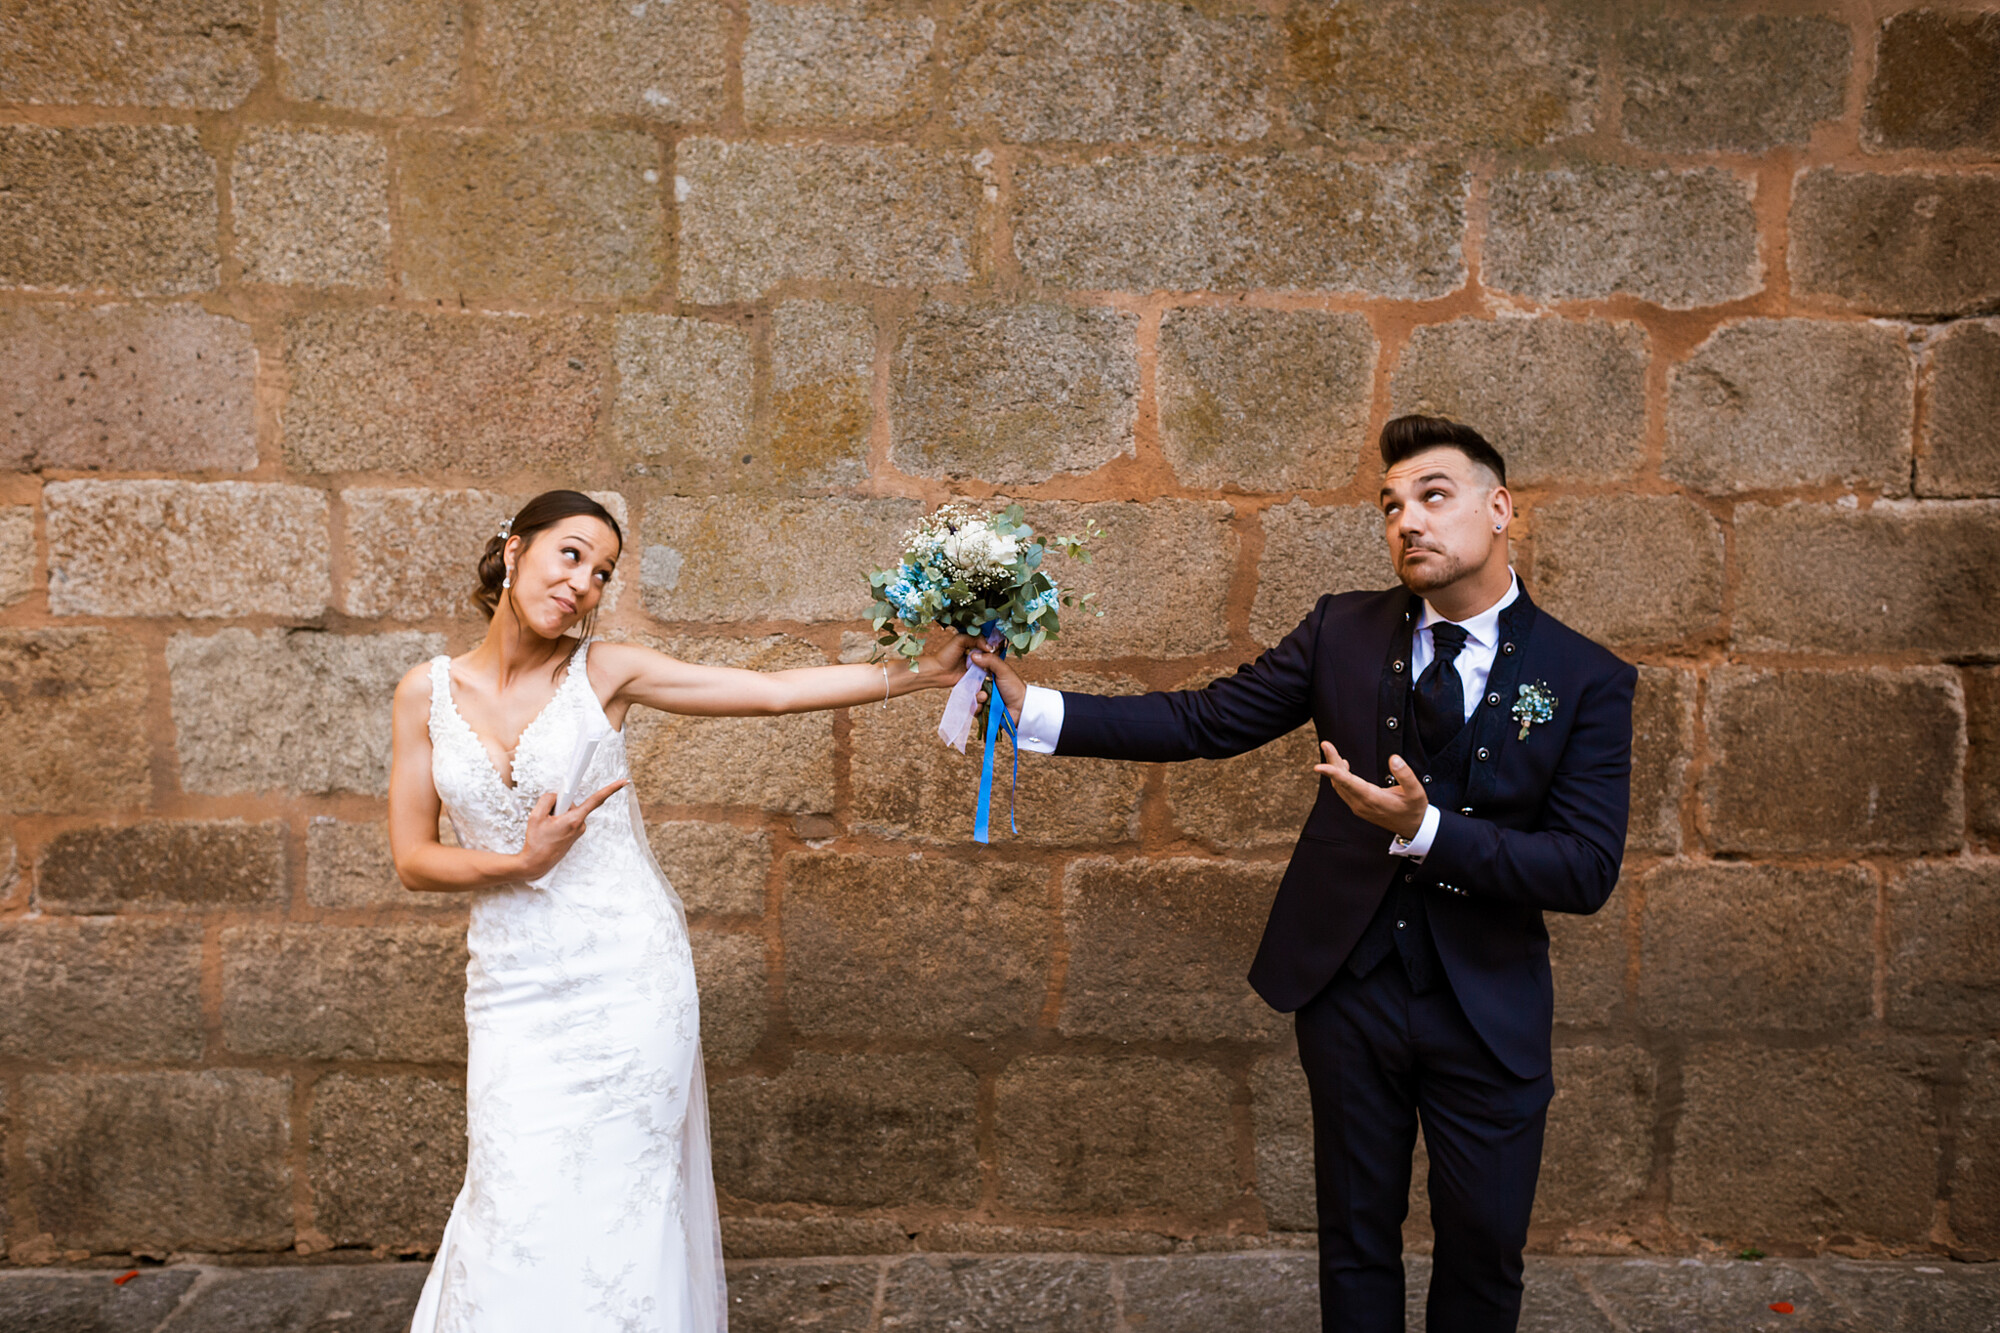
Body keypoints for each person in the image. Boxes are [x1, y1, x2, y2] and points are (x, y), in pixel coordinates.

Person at [972, 416, 1635, 1332]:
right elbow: (1206, 721)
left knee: (1484, 1245)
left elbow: (1587, 866)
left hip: (1487, 1003)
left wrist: (1429, 829)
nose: (1409, 520)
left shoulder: (1587, 676)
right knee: (1356, 1234)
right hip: (1349, 985)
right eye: (1393, 505)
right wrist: (1038, 707)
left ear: (1500, 506)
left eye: (1434, 496)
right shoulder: (1342, 630)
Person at [387, 489, 968, 1332]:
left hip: (627, 974)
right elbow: (413, 856)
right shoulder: (424, 694)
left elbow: (766, 694)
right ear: (514, 552)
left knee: (623, 1190)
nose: (584, 583)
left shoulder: (605, 671)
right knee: (512, 1185)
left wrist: (922, 673)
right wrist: (518, 860)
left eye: (603, 573)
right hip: (514, 985)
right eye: (571, 555)